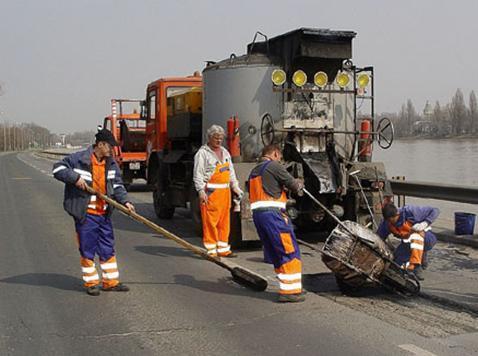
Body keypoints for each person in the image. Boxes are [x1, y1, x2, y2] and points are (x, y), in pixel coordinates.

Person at [52, 128, 135, 296]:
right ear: (101, 144)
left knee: (107, 247)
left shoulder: (111, 163)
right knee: (87, 247)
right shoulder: (78, 159)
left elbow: (117, 185)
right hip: (86, 214)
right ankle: (91, 282)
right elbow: (57, 169)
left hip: (104, 213)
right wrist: (75, 178)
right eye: (110, 147)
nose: (112, 150)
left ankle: (110, 282)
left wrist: (125, 201)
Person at [248, 144, 304, 303]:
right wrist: (299, 183)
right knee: (289, 250)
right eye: (279, 157)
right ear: (274, 154)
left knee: (277, 252)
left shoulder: (254, 171)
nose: (280, 160)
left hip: (259, 217)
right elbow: (294, 185)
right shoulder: (273, 166)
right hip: (274, 216)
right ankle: (290, 291)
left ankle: (288, 287)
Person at [193, 125, 243, 257]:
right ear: (209, 138)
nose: (219, 141)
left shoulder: (225, 153)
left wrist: (235, 187)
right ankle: (211, 250)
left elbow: (231, 172)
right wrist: (201, 191)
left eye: (221, 138)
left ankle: (223, 248)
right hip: (211, 194)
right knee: (210, 223)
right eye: (216, 138)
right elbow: (198, 174)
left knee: (224, 222)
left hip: (225, 195)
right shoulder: (202, 154)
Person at [377, 203, 439, 280]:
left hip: (427, 239)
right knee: (395, 264)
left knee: (415, 236)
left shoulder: (410, 211)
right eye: (389, 220)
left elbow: (435, 210)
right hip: (407, 244)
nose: (392, 222)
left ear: (397, 214)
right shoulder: (386, 223)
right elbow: (379, 238)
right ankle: (417, 260)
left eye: (392, 219)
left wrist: (424, 223)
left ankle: (416, 265)